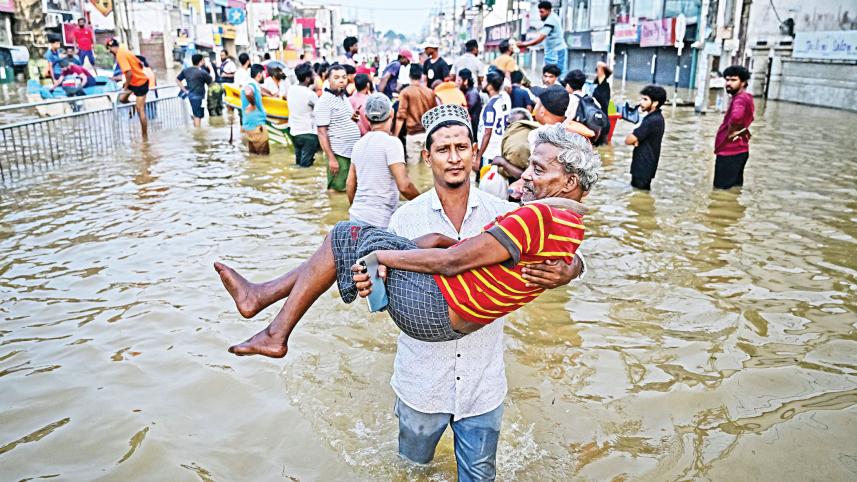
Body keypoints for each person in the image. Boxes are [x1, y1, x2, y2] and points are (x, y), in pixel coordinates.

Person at [218, 112, 599, 355]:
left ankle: (270, 316)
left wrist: (572, 269)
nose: (453, 157)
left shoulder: (512, 210)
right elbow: (380, 294)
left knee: (347, 234)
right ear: (425, 157)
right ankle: (264, 304)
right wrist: (368, 274)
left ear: (474, 156)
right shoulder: (405, 217)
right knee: (378, 241)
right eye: (443, 149)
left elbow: (453, 262)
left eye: (462, 147)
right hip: (423, 371)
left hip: (469, 362)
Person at [346, 93, 421, 228]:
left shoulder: (359, 144)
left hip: (355, 216)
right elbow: (404, 186)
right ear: (392, 113)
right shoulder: (392, 143)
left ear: (367, 117)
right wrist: (423, 203)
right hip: (380, 221)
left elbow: (350, 184)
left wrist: (360, 210)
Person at [315, 64, 362, 192]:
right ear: (328, 80)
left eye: (344, 77)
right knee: (336, 191)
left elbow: (344, 119)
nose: (341, 80)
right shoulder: (324, 102)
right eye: (336, 77)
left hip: (350, 152)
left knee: (348, 188)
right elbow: (322, 133)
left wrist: (354, 118)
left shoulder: (343, 97)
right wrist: (331, 159)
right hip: (338, 153)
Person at [714, 65, 755, 190]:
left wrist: (732, 131)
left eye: (733, 80)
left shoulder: (740, 99)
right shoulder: (746, 98)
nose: (728, 83)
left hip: (730, 152)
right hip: (739, 151)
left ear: (743, 82)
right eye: (727, 80)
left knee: (720, 191)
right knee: (734, 190)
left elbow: (737, 117)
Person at [624, 85, 666, 190]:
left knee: (638, 195)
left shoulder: (652, 120)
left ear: (655, 103)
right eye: (641, 99)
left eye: (645, 99)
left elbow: (629, 140)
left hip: (643, 167)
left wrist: (635, 139)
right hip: (645, 167)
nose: (641, 102)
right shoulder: (656, 118)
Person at [107, 38, 150, 140]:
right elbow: (140, 63)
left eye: (109, 50)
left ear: (110, 48)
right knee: (122, 99)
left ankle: (145, 136)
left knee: (141, 110)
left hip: (140, 82)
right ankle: (133, 106)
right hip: (133, 82)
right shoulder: (125, 51)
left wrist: (125, 87)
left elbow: (129, 73)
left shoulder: (120, 55)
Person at [395, 64, 437, 164]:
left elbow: (401, 117)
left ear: (409, 76)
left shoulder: (405, 92)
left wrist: (395, 136)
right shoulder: (430, 92)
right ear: (421, 75)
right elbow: (434, 115)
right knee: (427, 169)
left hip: (413, 135)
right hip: (427, 135)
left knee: (413, 170)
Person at [476, 69, 511, 182]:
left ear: (490, 86)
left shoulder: (490, 106)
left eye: (484, 81)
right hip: (501, 149)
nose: (482, 83)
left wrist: (479, 155)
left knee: (486, 182)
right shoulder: (505, 99)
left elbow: (487, 133)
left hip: (489, 152)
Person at [517, 1, 569, 76]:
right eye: (539, 12)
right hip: (552, 52)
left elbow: (540, 39)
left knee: (557, 76)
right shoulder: (553, 18)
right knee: (550, 75)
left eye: (542, 12)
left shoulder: (550, 20)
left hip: (557, 52)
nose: (540, 15)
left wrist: (524, 44)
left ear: (548, 11)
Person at [289, 63, 320, 168]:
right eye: (312, 75)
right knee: (306, 167)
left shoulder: (291, 90)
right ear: (307, 79)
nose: (314, 77)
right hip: (308, 133)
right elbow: (319, 111)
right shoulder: (310, 94)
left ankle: (297, 182)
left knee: (299, 163)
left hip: (294, 132)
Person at [177, 53, 214, 128]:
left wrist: (184, 90)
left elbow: (177, 80)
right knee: (198, 116)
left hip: (190, 96)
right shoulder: (202, 72)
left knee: (195, 115)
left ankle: (196, 129)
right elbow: (211, 81)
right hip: (199, 97)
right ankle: (198, 133)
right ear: (201, 61)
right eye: (203, 60)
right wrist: (211, 68)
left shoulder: (186, 70)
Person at [240, 64, 270, 155]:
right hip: (257, 126)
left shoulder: (251, 83)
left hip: (249, 126)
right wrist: (253, 104)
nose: (264, 76)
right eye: (263, 74)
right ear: (259, 74)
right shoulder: (251, 85)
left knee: (253, 157)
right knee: (263, 157)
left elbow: (259, 89)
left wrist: (270, 94)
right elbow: (248, 92)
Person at [457, 68, 482, 141]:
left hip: (473, 130)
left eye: (459, 80)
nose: (457, 82)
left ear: (465, 81)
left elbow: (466, 109)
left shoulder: (472, 93)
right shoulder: (467, 91)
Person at [592, 61, 612, 145]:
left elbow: (603, 104)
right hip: (599, 120)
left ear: (602, 71)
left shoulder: (605, 87)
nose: (596, 70)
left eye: (598, 69)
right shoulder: (598, 86)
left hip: (602, 122)